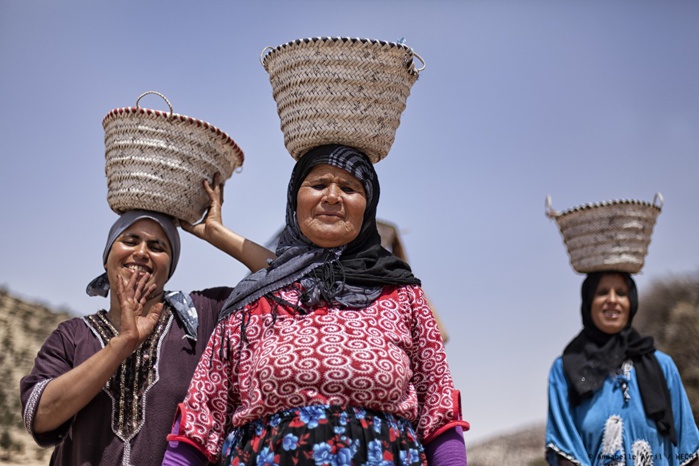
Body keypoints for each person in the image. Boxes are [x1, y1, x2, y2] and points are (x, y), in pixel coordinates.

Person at [163, 144, 469, 465]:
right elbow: (200, 419)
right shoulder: (252, 302)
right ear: (295, 199)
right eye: (319, 185)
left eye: (349, 188)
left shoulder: (403, 296)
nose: (333, 197)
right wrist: (216, 232)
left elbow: (439, 413)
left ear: (368, 206)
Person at [20, 174, 275, 465]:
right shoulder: (73, 335)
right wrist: (122, 344)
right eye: (130, 241)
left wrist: (217, 233)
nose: (141, 253)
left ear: (170, 268)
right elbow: (39, 417)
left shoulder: (202, 316)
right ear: (107, 257)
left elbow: (287, 278)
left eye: (157, 247)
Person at [545, 271, 699, 465]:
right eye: (602, 292)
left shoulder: (662, 365)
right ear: (588, 301)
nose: (612, 300)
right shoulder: (565, 370)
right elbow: (564, 453)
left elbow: (688, 450)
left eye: (621, 293)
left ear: (631, 302)